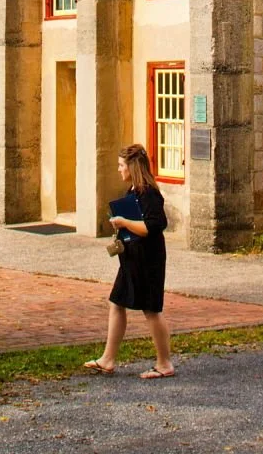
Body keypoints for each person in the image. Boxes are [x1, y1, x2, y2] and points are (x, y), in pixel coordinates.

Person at [85, 143, 175, 379]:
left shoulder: (149, 193)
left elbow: (154, 226)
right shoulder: (133, 192)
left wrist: (124, 222)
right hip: (131, 259)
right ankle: (107, 359)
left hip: (148, 259)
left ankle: (164, 363)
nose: (118, 169)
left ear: (132, 166)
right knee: (117, 302)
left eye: (121, 165)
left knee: (151, 309)